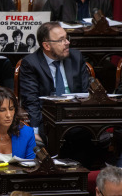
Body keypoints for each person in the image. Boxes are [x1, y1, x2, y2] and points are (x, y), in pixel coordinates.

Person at [19, 21, 92, 166]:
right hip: (47, 120)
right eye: (61, 40)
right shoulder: (31, 63)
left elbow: (86, 92)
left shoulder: (76, 58)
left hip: (76, 116)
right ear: (46, 45)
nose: (67, 43)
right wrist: (33, 130)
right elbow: (31, 101)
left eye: (66, 38)